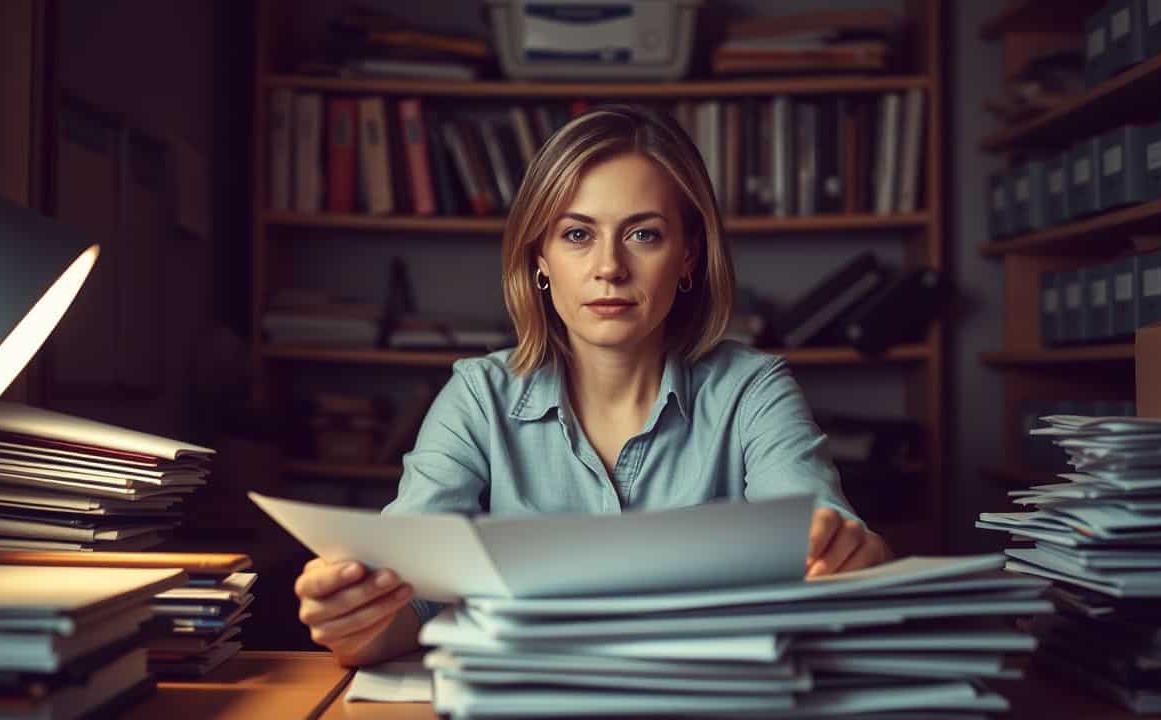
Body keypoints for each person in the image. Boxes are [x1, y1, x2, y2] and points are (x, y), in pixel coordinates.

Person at [293, 104, 893, 668]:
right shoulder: (477, 398)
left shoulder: (753, 392)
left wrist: (847, 557)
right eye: (577, 234)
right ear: (540, 258)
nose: (610, 267)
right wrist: (356, 624)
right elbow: (407, 602)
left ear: (688, 255)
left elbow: (832, 550)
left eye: (644, 234)